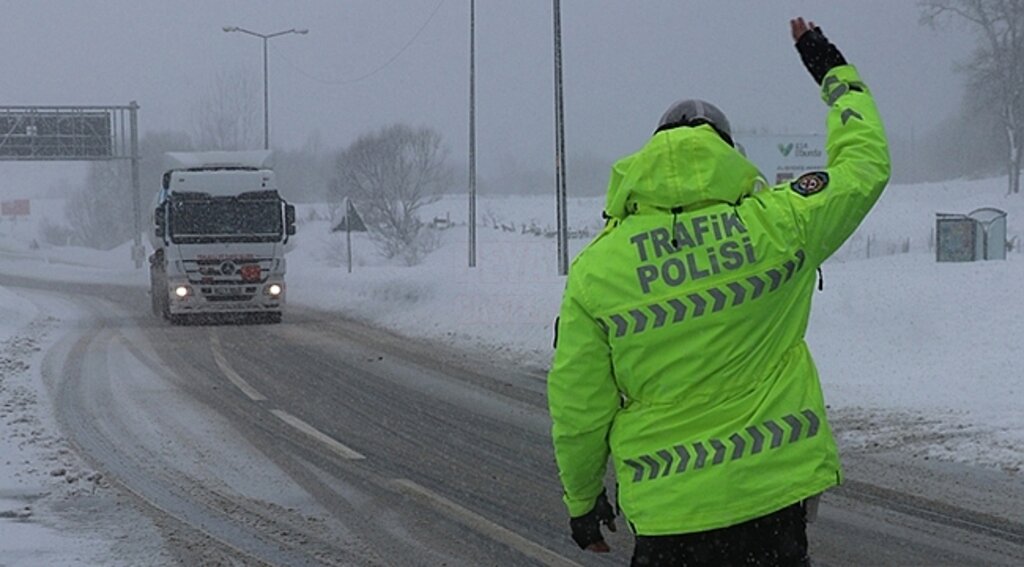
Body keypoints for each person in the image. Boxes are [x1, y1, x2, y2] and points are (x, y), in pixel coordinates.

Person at [546, 17, 890, 566]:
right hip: (773, 504)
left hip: (669, 520)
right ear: (728, 153)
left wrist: (583, 502)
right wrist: (830, 69)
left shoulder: (598, 269)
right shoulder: (781, 223)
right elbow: (865, 164)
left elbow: (579, 408)